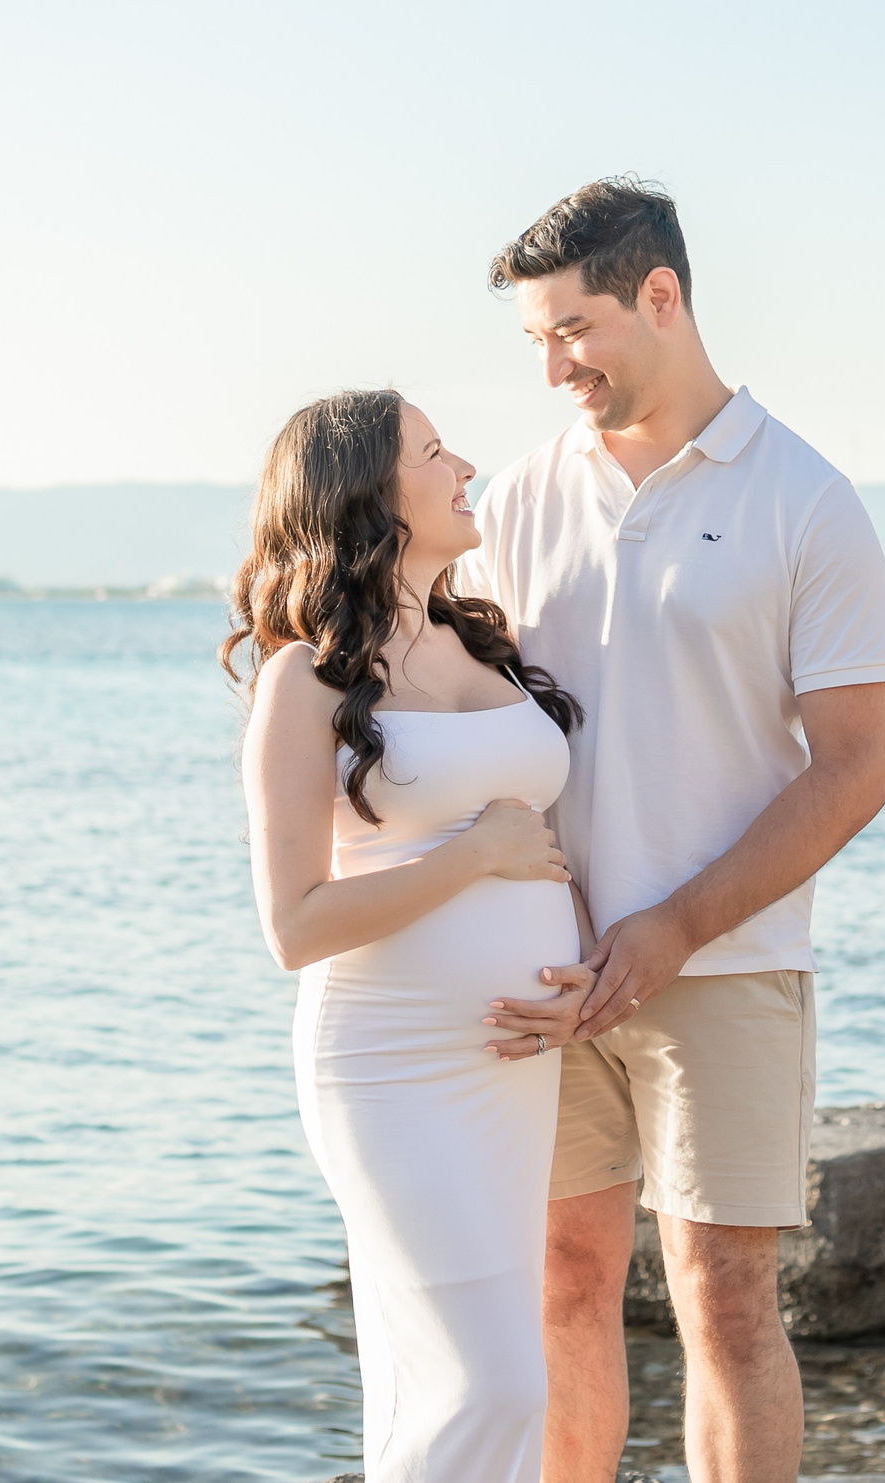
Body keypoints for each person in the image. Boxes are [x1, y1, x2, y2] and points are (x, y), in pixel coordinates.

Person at [458, 179, 885, 1483]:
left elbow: (860, 764)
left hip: (728, 958)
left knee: (724, 1300)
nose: (551, 367)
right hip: (548, 962)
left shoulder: (806, 497)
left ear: (662, 295)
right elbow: (456, 712)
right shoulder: (522, 499)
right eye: (532, 341)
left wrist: (674, 924)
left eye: (571, 329)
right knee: (561, 1277)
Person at [225, 389, 599, 1483]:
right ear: (367, 502)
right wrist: (472, 860)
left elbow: (552, 841)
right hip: (389, 1068)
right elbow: (293, 928)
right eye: (433, 454)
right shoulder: (304, 681)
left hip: (510, 1063)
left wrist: (583, 976)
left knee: (458, 1385)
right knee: (489, 1387)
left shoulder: (489, 644)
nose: (464, 466)